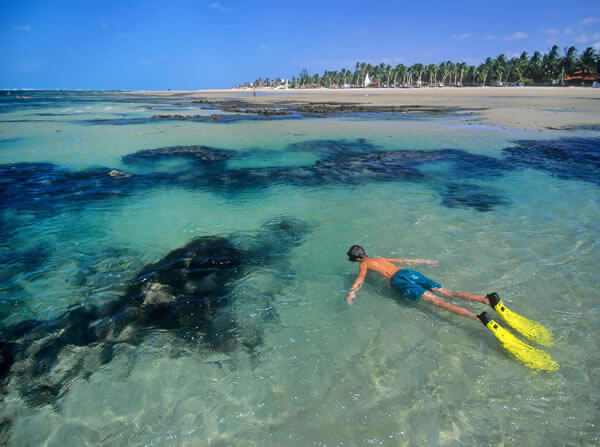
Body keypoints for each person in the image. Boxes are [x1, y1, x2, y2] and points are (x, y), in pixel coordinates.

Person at [345, 245, 496, 321]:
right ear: (364, 253)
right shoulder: (380, 258)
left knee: (438, 302)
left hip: (399, 280)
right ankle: (486, 299)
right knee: (447, 292)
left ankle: (478, 318)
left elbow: (361, 278)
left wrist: (352, 292)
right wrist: (426, 261)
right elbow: (404, 260)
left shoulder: (364, 264)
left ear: (357, 259)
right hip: (407, 272)